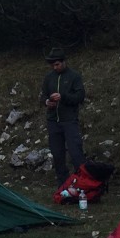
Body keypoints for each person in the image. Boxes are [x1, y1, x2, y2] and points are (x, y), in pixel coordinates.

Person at [42, 47, 85, 187]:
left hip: (69, 120)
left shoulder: (74, 76)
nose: (55, 67)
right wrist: (47, 102)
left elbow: (79, 96)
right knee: (57, 154)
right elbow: (43, 95)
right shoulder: (48, 78)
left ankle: (83, 182)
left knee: (75, 152)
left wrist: (63, 97)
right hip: (53, 120)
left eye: (57, 64)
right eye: (53, 65)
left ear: (64, 62)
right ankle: (63, 184)